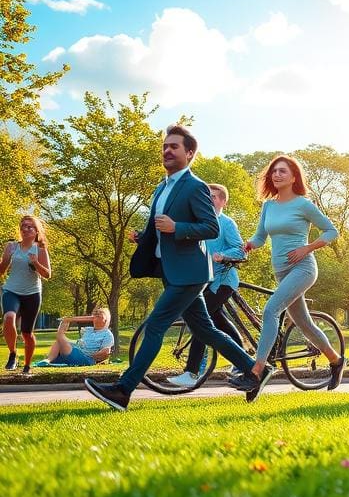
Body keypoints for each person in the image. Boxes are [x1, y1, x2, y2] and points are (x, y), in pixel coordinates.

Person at [84, 125, 261, 411]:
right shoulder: (162, 187)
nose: (167, 150)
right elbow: (160, 229)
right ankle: (256, 370)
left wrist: (176, 227)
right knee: (205, 331)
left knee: (154, 327)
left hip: (190, 273)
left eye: (174, 146)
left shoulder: (196, 186)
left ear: (189, 153)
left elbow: (210, 227)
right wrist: (144, 238)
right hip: (171, 270)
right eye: (165, 146)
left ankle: (123, 390)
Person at [242, 155, 348, 397]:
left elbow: (332, 231)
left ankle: (256, 372)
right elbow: (260, 238)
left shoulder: (303, 204)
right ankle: (336, 360)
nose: (276, 175)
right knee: (304, 324)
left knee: (270, 310)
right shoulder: (268, 206)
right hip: (281, 270)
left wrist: (307, 248)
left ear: (293, 177)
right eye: (274, 171)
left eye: (282, 171)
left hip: (303, 268)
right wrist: (248, 245)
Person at [167, 183, 246, 387]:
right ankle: (244, 361)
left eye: (213, 197)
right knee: (218, 321)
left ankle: (192, 372)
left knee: (202, 323)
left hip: (222, 281)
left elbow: (240, 250)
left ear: (223, 202)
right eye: (206, 196)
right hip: (204, 282)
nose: (208, 199)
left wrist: (223, 256)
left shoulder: (226, 223)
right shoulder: (200, 222)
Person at [1, 215, 52, 375]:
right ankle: (13, 354)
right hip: (11, 290)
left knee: (27, 333)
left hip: (32, 293)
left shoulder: (40, 249)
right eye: (23, 226)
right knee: (8, 318)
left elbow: (48, 274)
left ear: (36, 231)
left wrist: (36, 263)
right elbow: (2, 271)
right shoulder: (11, 247)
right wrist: (4, 261)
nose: (25, 228)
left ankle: (27, 365)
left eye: (30, 226)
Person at [35, 308, 114, 367]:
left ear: (106, 320)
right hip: (78, 351)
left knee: (60, 339)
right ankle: (48, 360)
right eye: (95, 316)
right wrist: (69, 320)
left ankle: (48, 360)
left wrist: (93, 357)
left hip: (87, 358)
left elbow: (106, 351)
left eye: (99, 316)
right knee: (59, 341)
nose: (96, 317)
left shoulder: (107, 334)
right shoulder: (88, 330)